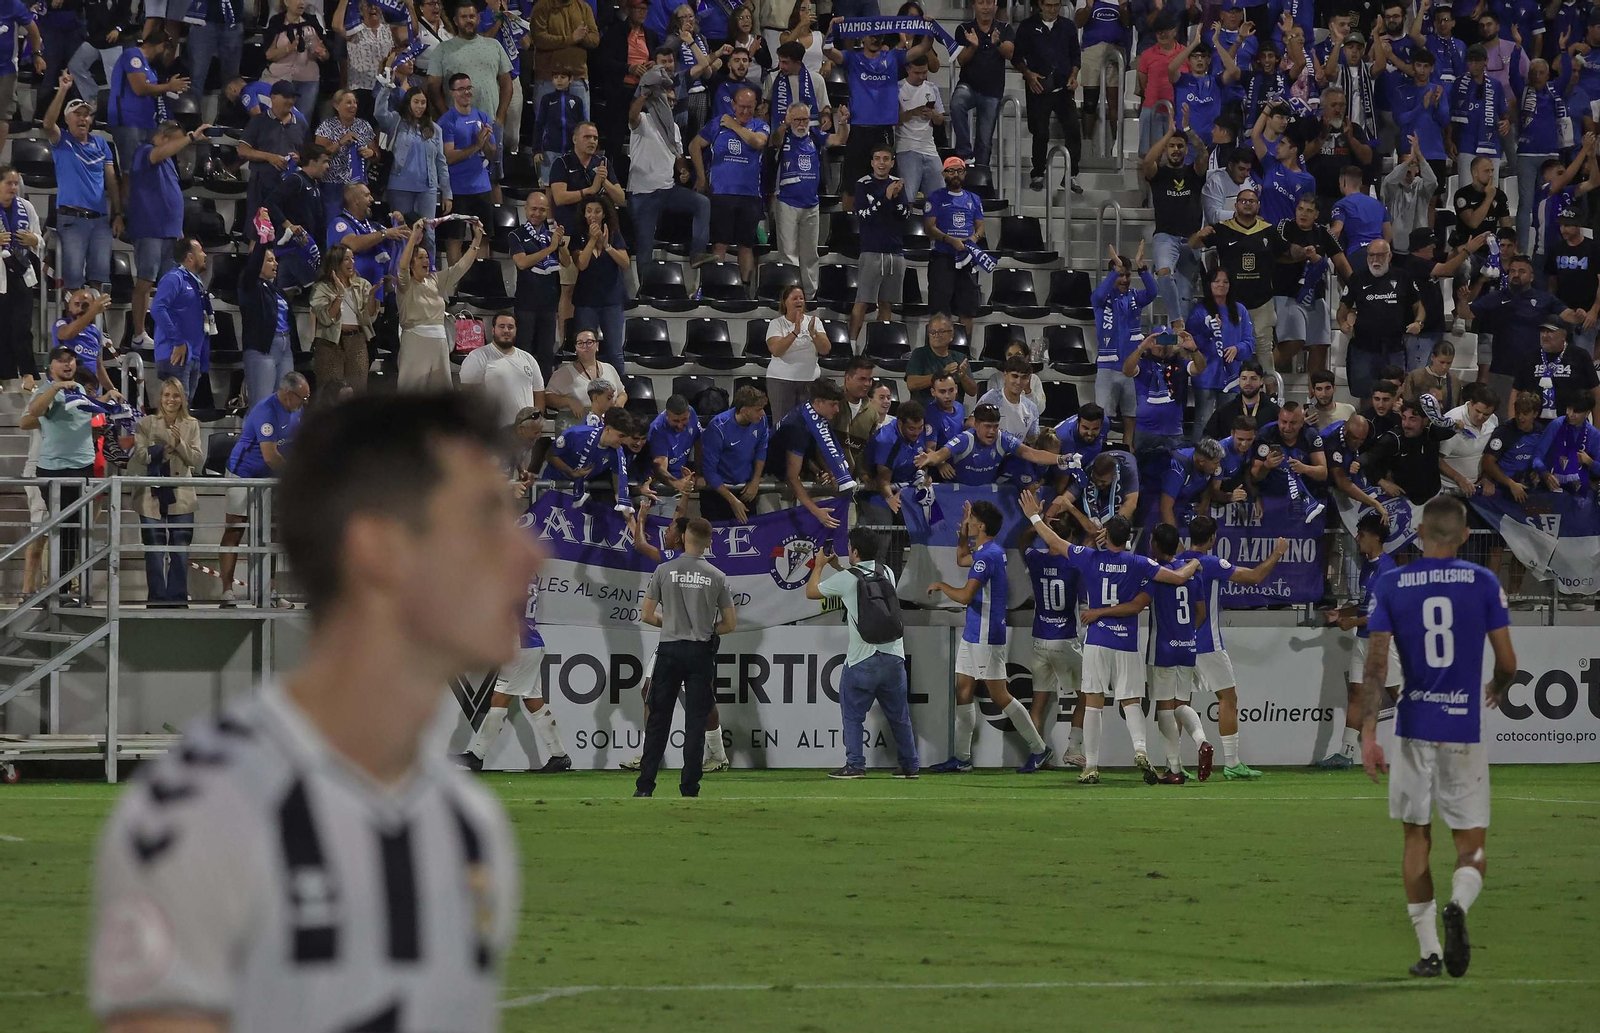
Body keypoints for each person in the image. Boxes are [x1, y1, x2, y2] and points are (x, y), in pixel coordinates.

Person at [90, 393, 535, 1030]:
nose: (529, 554)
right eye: (485, 519)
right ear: (379, 549)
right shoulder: (201, 812)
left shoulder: (470, 825)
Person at [1361, 494, 1517, 979]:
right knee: (1471, 845)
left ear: (1420, 533)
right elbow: (1508, 663)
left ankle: (1429, 951)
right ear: (1465, 536)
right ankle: (1459, 905)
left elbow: (1376, 666)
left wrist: (1368, 733)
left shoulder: (1391, 583)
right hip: (1464, 727)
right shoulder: (1483, 582)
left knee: (1416, 837)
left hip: (1414, 727)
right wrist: (1497, 686)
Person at [1022, 499, 1199, 784]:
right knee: (1131, 701)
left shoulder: (1089, 558)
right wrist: (1194, 562)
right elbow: (1178, 578)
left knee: (1093, 701)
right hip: (1126, 642)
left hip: (1097, 640)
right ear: (1129, 538)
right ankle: (1140, 749)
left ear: (1106, 536)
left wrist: (1034, 517)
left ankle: (1091, 766)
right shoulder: (1139, 563)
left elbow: (1053, 541)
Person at [925, 500, 1053, 774]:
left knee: (1000, 695)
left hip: (986, 634)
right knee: (963, 691)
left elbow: (965, 596)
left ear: (981, 526)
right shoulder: (989, 551)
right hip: (974, 633)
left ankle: (1039, 749)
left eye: (971, 520)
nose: (967, 522)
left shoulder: (987, 556)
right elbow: (961, 558)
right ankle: (962, 758)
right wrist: (963, 531)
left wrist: (941, 585)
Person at [635, 517, 737, 797]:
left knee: (658, 720)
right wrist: (706, 629)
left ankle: (645, 787)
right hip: (700, 652)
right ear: (709, 543)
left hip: (669, 649)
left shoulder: (664, 570)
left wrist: (669, 624)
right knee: (695, 722)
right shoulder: (717, 576)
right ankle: (690, 787)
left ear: (684, 538)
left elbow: (646, 615)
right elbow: (729, 624)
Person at [806, 527, 919, 779]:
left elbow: (811, 592)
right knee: (900, 716)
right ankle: (910, 765)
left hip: (862, 659)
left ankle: (855, 765)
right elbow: (861, 580)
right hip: (894, 656)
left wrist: (820, 565)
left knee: (853, 716)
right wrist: (839, 567)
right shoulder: (887, 572)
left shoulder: (847, 579)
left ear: (854, 552)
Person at [455, 566, 573, 772]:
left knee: (499, 699)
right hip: (530, 643)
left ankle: (477, 756)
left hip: (521, 645)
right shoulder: (528, 575)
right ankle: (560, 756)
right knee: (533, 701)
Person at [1319, 511, 1403, 769]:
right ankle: (1345, 754)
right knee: (1355, 692)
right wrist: (1341, 614)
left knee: (1398, 695)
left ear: (1376, 538)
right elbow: (1365, 605)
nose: (1357, 539)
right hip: (1363, 640)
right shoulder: (1368, 566)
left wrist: (1352, 623)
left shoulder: (1388, 570)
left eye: (1361, 534)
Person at [218, 372, 310, 606]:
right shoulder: (265, 411)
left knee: (272, 534)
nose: (305, 402)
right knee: (235, 530)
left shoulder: (297, 409)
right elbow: (270, 456)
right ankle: (227, 591)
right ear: (288, 394)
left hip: (272, 478)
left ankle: (270, 592)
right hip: (243, 474)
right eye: (302, 397)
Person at [21, 348, 106, 597]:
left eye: (70, 361)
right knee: (50, 531)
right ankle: (32, 590)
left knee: (73, 531)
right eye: (61, 361)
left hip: (82, 467)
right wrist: (55, 394)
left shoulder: (78, 390)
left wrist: (106, 400)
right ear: (51, 367)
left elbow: (80, 419)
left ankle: (64, 589)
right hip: (51, 467)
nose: (67, 365)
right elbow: (30, 416)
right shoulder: (44, 391)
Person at [824, 29, 933, 205]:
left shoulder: (893, 57)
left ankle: (884, 219)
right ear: (863, 38)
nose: (875, 39)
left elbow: (924, 47)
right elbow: (828, 50)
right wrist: (831, 28)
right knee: (852, 186)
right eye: (872, 36)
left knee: (887, 184)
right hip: (859, 130)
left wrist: (929, 28)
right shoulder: (853, 58)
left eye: (879, 36)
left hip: (883, 131)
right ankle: (849, 222)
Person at [1190, 185, 1288, 376]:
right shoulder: (1223, 229)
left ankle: (1270, 388)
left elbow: (1286, 254)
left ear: (1258, 205)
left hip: (1262, 301)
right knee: (1230, 347)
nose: (1247, 204)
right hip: (1231, 303)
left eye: (1252, 201)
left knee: (1264, 349)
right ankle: (1230, 385)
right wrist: (1198, 235)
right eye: (1243, 201)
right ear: (1235, 205)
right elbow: (1193, 244)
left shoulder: (1269, 230)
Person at [1468, 255, 1583, 413]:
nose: (1516, 274)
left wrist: (1578, 315)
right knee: (1502, 417)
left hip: (1534, 370)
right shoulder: (1496, 298)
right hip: (1502, 370)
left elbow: (1569, 316)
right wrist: (1463, 300)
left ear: (1532, 277)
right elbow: (1466, 313)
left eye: (1522, 271)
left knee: (1532, 416)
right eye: (1512, 271)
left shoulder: (1544, 298)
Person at [628, 53, 713, 265]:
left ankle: (697, 253)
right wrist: (644, 96)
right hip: (643, 193)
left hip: (667, 190)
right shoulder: (644, 120)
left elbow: (678, 156)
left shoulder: (673, 127)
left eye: (674, 101)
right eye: (669, 100)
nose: (672, 104)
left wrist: (682, 170)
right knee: (645, 245)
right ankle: (644, 285)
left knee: (702, 203)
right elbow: (632, 116)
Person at [128, 122, 206, 353]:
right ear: (163, 137)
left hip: (171, 233)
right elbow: (157, 154)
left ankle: (169, 334)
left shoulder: (169, 162)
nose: (179, 146)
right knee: (145, 282)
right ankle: (139, 334)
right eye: (176, 141)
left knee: (171, 286)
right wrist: (190, 137)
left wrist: (178, 227)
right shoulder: (144, 152)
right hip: (150, 230)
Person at [44, 72, 121, 296]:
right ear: (67, 119)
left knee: (100, 280)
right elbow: (48, 123)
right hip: (72, 220)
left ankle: (97, 320)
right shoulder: (62, 141)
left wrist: (118, 214)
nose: (83, 119)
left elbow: (111, 181)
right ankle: (72, 319)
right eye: (77, 114)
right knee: (73, 282)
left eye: (86, 115)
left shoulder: (102, 144)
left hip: (100, 221)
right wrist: (63, 90)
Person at [129, 377, 203, 606]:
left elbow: (197, 459)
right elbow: (140, 456)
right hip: (151, 495)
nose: (171, 400)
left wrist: (179, 444)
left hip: (181, 495)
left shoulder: (192, 424)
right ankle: (157, 599)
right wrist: (161, 450)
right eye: (167, 395)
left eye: (176, 395)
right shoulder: (146, 423)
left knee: (180, 549)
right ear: (160, 398)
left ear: (182, 399)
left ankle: (177, 598)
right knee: (154, 550)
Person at [690, 86, 770, 286]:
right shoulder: (717, 124)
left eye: (749, 107)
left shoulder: (760, 125)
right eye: (741, 107)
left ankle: (744, 288)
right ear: (733, 105)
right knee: (720, 243)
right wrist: (701, 177)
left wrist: (734, 126)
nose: (745, 111)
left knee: (746, 246)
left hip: (750, 195)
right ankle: (718, 287)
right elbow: (694, 146)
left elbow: (758, 142)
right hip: (721, 194)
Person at [771, 102, 846, 297]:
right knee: (788, 253)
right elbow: (774, 141)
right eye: (797, 120)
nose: (802, 124)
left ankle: (810, 295)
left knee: (810, 253)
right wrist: (784, 125)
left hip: (811, 203)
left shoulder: (814, 135)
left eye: (805, 119)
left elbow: (838, 139)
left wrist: (843, 123)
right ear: (790, 119)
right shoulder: (784, 135)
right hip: (787, 202)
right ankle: (790, 294)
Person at [1339, 239, 1424, 401]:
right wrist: (1343, 323)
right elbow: (1343, 309)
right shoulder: (1357, 278)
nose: (1375, 260)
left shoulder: (1403, 277)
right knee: (1365, 395)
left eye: (1380, 255)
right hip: (1363, 348)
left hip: (1394, 347)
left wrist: (1418, 322)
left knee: (1396, 394)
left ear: (1389, 256)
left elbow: (1419, 306)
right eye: (1371, 255)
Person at [1142, 116, 1208, 324]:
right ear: (1165, 149)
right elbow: (1147, 161)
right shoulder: (1158, 174)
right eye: (1171, 146)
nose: (1176, 149)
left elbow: (1203, 154)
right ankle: (1176, 322)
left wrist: (1187, 130)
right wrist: (1169, 134)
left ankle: (1180, 337)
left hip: (1191, 240)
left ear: (1186, 150)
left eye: (1180, 146)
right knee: (1164, 272)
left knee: (1185, 296)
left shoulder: (1193, 173)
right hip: (1165, 237)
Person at [373, 82, 451, 250]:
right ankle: (400, 266)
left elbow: (441, 161)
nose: (420, 106)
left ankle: (428, 266)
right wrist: (386, 89)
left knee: (428, 234)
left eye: (423, 102)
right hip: (399, 186)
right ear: (408, 102)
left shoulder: (435, 129)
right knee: (402, 232)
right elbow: (379, 113)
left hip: (427, 189)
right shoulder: (396, 121)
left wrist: (447, 193)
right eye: (416, 102)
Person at [1015, 0, 1082, 192]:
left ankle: (1071, 175)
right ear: (1040, 5)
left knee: (1073, 129)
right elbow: (1017, 57)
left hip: (1063, 88)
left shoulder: (1068, 26)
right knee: (1040, 132)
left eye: (1056, 5)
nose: (1052, 9)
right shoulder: (1027, 26)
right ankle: (1038, 172)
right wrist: (1028, 74)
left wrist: (1073, 76)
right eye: (1048, 5)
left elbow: (1075, 56)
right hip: (1038, 88)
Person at [433, 0, 514, 152]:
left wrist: (500, 118)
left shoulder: (494, 46)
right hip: (457, 125)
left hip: (491, 123)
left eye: (472, 16)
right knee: (460, 164)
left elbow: (507, 83)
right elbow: (433, 88)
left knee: (493, 166)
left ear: (478, 18)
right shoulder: (443, 49)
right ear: (456, 21)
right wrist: (447, 117)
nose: (468, 20)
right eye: (464, 17)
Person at [850, 145, 911, 341]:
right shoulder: (863, 184)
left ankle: (878, 345)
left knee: (886, 303)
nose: (881, 163)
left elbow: (905, 215)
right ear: (872, 162)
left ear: (892, 162)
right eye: (877, 158)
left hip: (895, 252)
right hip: (871, 250)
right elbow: (865, 215)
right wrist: (886, 197)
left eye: (886, 159)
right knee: (862, 302)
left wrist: (895, 198)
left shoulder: (898, 184)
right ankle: (851, 346)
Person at [437, 73, 500, 263]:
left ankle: (481, 275)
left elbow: (492, 153)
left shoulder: (482, 116)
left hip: (482, 187)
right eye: (462, 89)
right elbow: (448, 157)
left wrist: (485, 142)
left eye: (469, 88)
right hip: (458, 188)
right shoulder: (447, 121)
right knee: (455, 238)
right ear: (452, 93)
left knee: (483, 236)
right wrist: (475, 146)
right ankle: (454, 279)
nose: (466, 92)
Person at [923, 157, 988, 338]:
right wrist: (950, 240)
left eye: (959, 171)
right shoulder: (935, 197)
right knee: (940, 311)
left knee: (967, 310)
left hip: (967, 260)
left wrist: (973, 239)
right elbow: (929, 228)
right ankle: (938, 349)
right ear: (944, 174)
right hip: (943, 259)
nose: (955, 175)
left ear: (965, 173)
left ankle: (963, 348)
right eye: (951, 171)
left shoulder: (974, 199)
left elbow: (980, 226)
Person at [1188, 266, 1253, 443]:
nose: (1221, 285)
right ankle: (1197, 455)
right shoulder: (1199, 310)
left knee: (1229, 422)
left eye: (1225, 281)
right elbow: (1191, 341)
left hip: (1232, 378)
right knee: (1203, 420)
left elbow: (1249, 342)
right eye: (1216, 281)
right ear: (1209, 284)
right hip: (1206, 376)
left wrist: (1237, 349)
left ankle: (1227, 456)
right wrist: (1209, 331)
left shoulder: (1240, 310)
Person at [1123, 322, 1207, 454]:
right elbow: (1127, 370)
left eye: (1168, 340)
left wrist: (1194, 350)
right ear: (1151, 342)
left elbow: (1200, 368)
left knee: (1174, 465)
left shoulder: (1181, 363)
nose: (1163, 345)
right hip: (1145, 430)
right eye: (1159, 341)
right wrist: (1141, 348)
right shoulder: (1143, 363)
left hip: (1173, 431)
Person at [950, 0, 1015, 166]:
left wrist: (997, 43)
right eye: (980, 3)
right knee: (957, 103)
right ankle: (965, 153)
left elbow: (1010, 53)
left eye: (989, 3)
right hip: (968, 85)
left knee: (985, 143)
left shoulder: (1005, 28)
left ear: (995, 5)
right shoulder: (964, 29)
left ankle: (981, 175)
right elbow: (961, 60)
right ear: (974, 6)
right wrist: (972, 46)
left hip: (992, 91)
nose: (985, 7)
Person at [509, 191, 569, 372]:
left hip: (549, 302)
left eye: (542, 210)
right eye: (533, 209)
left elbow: (566, 262)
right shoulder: (516, 235)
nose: (537, 213)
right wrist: (550, 248)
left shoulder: (551, 235)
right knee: (524, 351)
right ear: (525, 209)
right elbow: (522, 262)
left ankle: (545, 387)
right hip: (526, 303)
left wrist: (560, 245)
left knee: (546, 353)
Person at [237, 237, 298, 408]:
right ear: (258, 264)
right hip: (263, 349)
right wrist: (262, 239)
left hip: (285, 347)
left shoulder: (275, 289)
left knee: (285, 402)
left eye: (275, 260)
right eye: (270, 260)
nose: (276, 264)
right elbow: (252, 265)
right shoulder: (249, 286)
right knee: (261, 404)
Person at [151, 237, 214, 403]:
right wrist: (177, 341)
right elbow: (157, 309)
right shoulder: (174, 278)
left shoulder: (195, 281)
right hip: (175, 355)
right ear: (190, 257)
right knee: (177, 409)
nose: (205, 255)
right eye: (200, 251)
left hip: (192, 354)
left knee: (184, 410)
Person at [1362, 399, 1460, 504]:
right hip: (1405, 502)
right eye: (1404, 418)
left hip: (1434, 497)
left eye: (1413, 419)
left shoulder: (1432, 433)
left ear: (1426, 421)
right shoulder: (1393, 439)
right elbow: (1364, 461)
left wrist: (1456, 426)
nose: (1406, 424)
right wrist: (1383, 483)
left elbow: (1449, 429)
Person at [309, 244, 379, 392]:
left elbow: (369, 319)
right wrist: (340, 294)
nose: (352, 262)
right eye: (347, 259)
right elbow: (325, 318)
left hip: (357, 342)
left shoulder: (362, 284)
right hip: (330, 343)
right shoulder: (321, 287)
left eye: (352, 258)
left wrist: (372, 297)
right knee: (330, 391)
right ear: (336, 261)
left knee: (358, 390)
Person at [0, 165, 42, 391]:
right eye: (9, 183)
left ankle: (28, 373)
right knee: (2, 327)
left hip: (22, 272)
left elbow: (40, 238)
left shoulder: (26, 207)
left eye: (16, 183)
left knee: (22, 327)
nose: (14, 187)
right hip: (0, 274)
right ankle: (4, 374)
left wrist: (34, 240)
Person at [700, 384, 769, 520]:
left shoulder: (761, 420)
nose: (762, 413)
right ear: (744, 410)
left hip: (745, 490)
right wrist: (733, 501)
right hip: (718, 492)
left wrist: (755, 481)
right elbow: (709, 471)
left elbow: (762, 449)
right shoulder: (718, 427)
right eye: (758, 410)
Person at [765, 285, 832, 419]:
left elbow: (825, 349)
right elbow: (776, 350)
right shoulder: (776, 324)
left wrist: (813, 333)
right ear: (785, 302)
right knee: (783, 423)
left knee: (807, 423)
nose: (799, 301)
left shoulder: (814, 322)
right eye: (794, 298)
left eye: (801, 298)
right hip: (781, 380)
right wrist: (795, 332)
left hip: (810, 381)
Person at [1512, 319, 1600, 420]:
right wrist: (1512, 423)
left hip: (1571, 422)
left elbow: (1595, 393)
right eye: (1543, 331)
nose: (1545, 335)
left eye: (1550, 331)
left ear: (1563, 335)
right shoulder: (1529, 357)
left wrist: (1597, 426)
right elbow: (1515, 391)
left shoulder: (1580, 356)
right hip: (1535, 424)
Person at [546, 328, 625, 432]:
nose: (585, 346)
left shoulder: (609, 368)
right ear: (575, 348)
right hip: (575, 426)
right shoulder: (563, 372)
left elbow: (622, 393)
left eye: (589, 342)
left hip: (607, 425)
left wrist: (619, 403)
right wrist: (568, 401)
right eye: (580, 343)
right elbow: (548, 397)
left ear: (597, 345)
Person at [531, 0, 598, 118]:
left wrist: (582, 36)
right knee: (546, 125)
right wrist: (571, 39)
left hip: (577, 77)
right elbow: (539, 39)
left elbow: (595, 39)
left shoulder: (583, 7)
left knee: (581, 125)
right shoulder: (541, 7)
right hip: (548, 78)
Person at [263, 0, 330, 117]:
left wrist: (322, 53)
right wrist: (289, 48)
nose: (301, 3)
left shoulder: (311, 22)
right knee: (278, 117)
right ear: (286, 2)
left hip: (308, 79)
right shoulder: (277, 22)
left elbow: (326, 54)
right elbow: (269, 55)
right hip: (280, 78)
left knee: (302, 119)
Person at [895, 53, 946, 208]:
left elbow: (940, 120)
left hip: (929, 147)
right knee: (908, 197)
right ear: (908, 69)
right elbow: (894, 120)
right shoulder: (897, 88)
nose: (922, 76)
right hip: (906, 147)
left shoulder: (932, 88)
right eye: (917, 73)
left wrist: (933, 114)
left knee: (940, 197)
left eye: (924, 72)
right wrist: (913, 112)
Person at [1546, 212, 1600, 355]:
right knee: (1559, 358)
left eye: (1567, 225)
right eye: (1561, 225)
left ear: (1578, 226)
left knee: (1582, 357)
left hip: (1587, 314)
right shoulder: (1556, 249)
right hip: (1562, 313)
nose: (1563, 229)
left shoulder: (1594, 248)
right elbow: (1552, 282)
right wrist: (1551, 308)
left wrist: (1594, 311)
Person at [53, 288, 117, 397]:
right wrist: (93, 312)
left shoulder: (95, 332)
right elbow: (66, 334)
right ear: (69, 306)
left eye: (85, 305)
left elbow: (98, 366)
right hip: (68, 391)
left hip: (91, 393)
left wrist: (113, 390)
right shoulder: (62, 324)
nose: (80, 309)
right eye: (76, 304)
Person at [905, 314, 980, 405]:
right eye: (933, 332)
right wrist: (941, 373)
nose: (936, 335)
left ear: (951, 335)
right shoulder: (919, 354)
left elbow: (972, 391)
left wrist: (963, 377)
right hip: (924, 409)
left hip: (953, 410)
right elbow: (911, 384)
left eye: (941, 332)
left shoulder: (960, 357)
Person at [1202, 360, 1277, 440]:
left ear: (1261, 381)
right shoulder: (1224, 411)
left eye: (1253, 379)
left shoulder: (1273, 411)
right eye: (1244, 378)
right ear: (1239, 380)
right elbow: (1207, 439)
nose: (1248, 383)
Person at [1401, 340, 1466, 412]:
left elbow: (1458, 409)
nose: (1444, 367)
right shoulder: (1415, 376)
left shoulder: (1455, 382)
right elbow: (1406, 403)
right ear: (1432, 357)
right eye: (1441, 362)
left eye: (1449, 363)